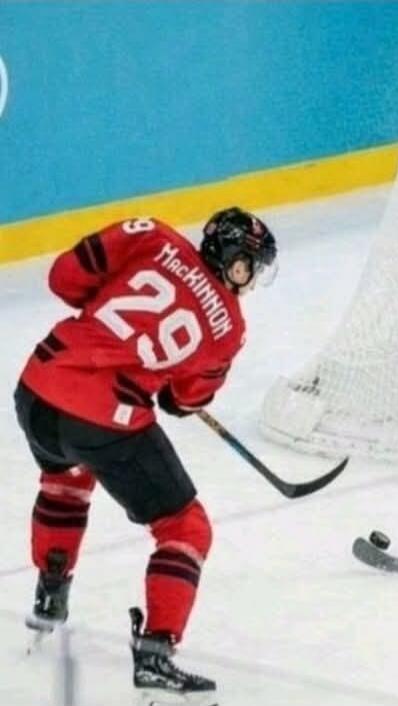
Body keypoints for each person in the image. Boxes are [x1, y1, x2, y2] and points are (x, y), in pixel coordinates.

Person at [15, 207, 277, 703]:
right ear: (231, 258)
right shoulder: (229, 327)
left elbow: (63, 278)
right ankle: (156, 654)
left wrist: (109, 322)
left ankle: (50, 597)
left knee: (67, 479)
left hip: (38, 388)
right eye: (249, 265)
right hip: (100, 416)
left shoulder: (151, 235)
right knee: (186, 528)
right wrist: (166, 381)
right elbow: (183, 400)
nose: (249, 279)